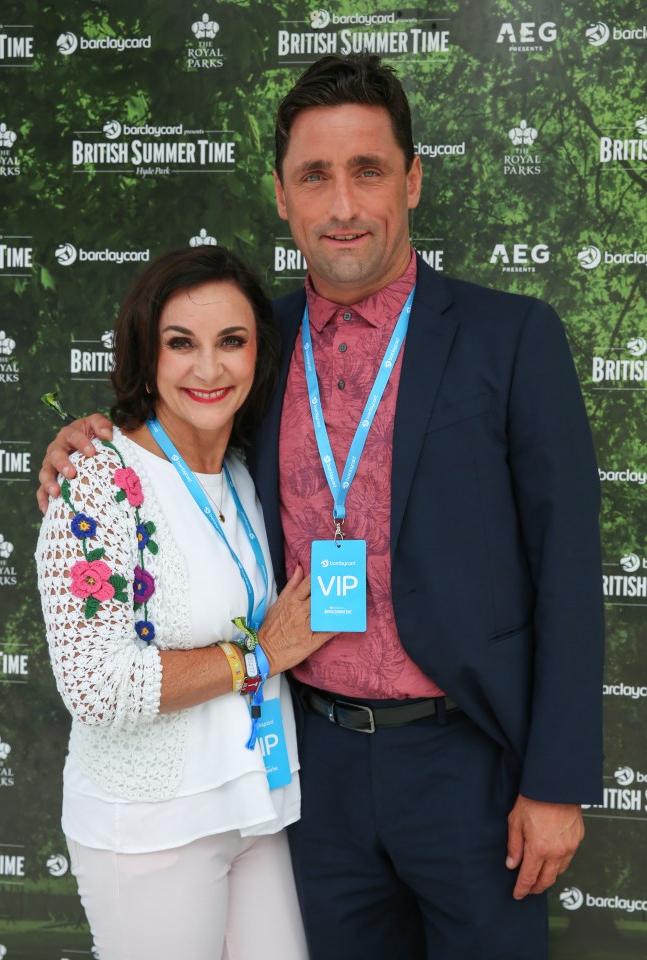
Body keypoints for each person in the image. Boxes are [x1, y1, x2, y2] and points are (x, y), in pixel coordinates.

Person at [38, 55, 605, 960]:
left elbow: (571, 569)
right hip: (311, 770)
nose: (342, 204)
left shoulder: (511, 337)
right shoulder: (258, 339)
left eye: (367, 170)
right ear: (281, 196)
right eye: (315, 176)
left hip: (471, 767)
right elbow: (182, 419)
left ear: (413, 180)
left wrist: (559, 783)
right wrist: (94, 435)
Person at [35, 246, 335, 960]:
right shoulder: (97, 483)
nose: (208, 368)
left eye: (231, 342)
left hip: (255, 809)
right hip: (150, 830)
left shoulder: (242, 471)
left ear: (260, 355)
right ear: (147, 351)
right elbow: (96, 685)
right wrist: (259, 655)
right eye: (181, 344)